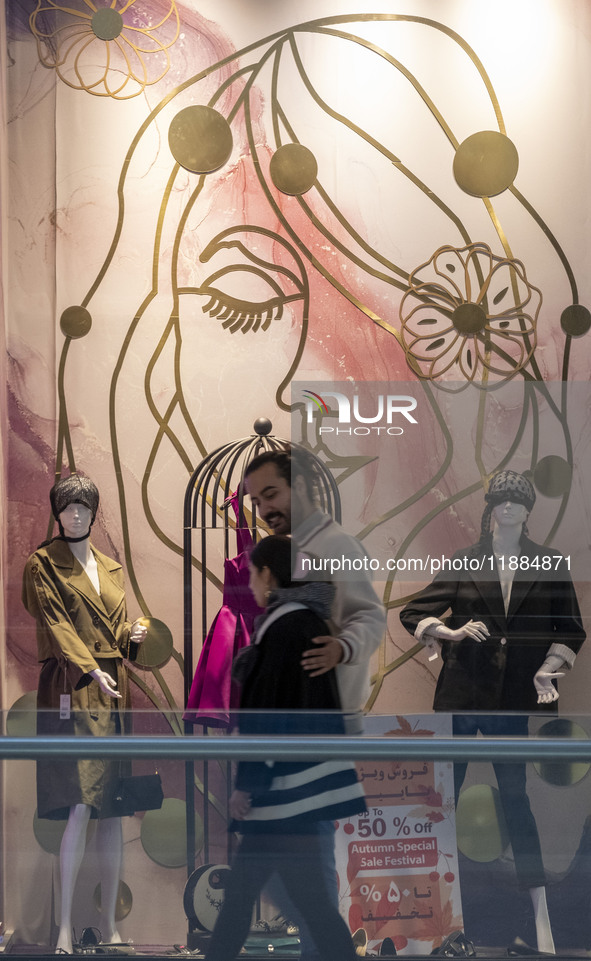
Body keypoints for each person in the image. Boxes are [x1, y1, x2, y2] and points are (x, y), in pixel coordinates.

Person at [399, 469, 586, 954]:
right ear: (490, 508)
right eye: (501, 501)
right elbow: (412, 614)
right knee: (442, 803)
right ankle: (427, 920)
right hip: (463, 697)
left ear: (528, 511)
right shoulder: (464, 563)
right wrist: (453, 633)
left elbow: (571, 629)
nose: (508, 508)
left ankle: (541, 924)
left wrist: (547, 669)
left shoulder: (548, 565)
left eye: (517, 502)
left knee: (517, 802)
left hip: (514, 702)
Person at [204, 535, 366, 961]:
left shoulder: (281, 628)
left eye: (253, 573)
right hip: (299, 791)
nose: (251, 585)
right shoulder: (308, 624)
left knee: (249, 897)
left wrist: (247, 786)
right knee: (300, 901)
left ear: (268, 574)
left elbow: (266, 718)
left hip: (280, 793)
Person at [22, 474, 147, 955]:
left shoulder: (112, 569)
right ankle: (63, 928)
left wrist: (132, 638)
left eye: (84, 508)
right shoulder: (42, 565)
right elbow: (55, 624)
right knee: (79, 803)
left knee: (112, 807)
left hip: (115, 689)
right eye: (67, 507)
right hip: (73, 687)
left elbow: (117, 627)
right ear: (56, 512)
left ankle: (110, 928)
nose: (75, 515)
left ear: (95, 514)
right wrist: (91, 669)